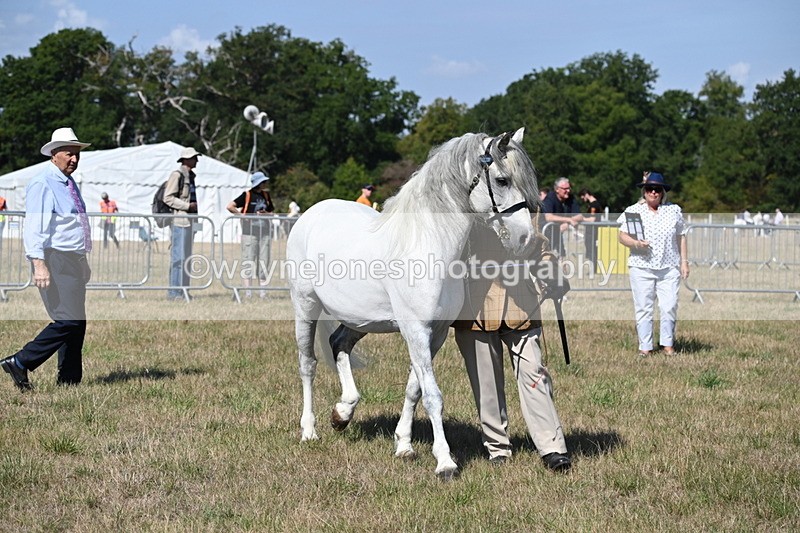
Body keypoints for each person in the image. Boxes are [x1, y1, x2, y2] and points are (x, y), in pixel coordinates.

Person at [453, 219, 572, 472]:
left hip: (523, 304)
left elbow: (540, 249)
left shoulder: (522, 206)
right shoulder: (466, 208)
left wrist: (553, 274)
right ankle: (498, 448)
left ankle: (552, 448)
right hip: (476, 307)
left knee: (535, 375)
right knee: (486, 384)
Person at [1, 127, 93, 390]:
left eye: (77, 154)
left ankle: (69, 380)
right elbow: (35, 226)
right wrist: (38, 264)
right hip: (56, 259)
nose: (74, 159)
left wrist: (83, 259)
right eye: (68, 154)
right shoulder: (43, 182)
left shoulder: (68, 181)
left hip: (73, 258)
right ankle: (21, 361)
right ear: (54, 154)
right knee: (68, 320)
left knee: (77, 322)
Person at [616, 172, 689, 357]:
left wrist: (684, 262)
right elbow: (622, 235)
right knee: (643, 307)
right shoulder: (633, 211)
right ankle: (645, 347)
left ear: (663, 192)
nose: (653, 192)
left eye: (657, 189)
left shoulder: (674, 210)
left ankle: (668, 345)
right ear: (644, 191)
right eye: (650, 189)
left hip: (669, 267)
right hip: (641, 266)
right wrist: (635, 244)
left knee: (669, 305)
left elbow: (681, 236)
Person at [226, 171, 274, 299]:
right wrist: (242, 216)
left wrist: (265, 214)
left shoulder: (266, 196)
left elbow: (272, 213)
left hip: (264, 233)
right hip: (249, 234)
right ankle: (248, 293)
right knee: (248, 262)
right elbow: (230, 206)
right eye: (263, 182)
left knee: (264, 263)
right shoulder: (247, 195)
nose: (265, 184)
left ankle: (263, 293)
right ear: (258, 183)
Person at [163, 146, 201, 301]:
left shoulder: (191, 176)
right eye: (194, 157)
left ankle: (184, 291)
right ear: (186, 160)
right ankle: (174, 292)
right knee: (178, 258)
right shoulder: (177, 175)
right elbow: (168, 198)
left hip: (190, 222)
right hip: (180, 222)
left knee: (187, 259)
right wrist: (187, 206)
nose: (197, 160)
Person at [541, 177, 583, 257]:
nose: (568, 191)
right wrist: (569, 220)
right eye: (565, 189)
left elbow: (580, 216)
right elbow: (548, 217)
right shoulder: (550, 198)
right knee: (547, 258)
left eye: (569, 188)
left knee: (562, 257)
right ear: (557, 189)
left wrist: (567, 223)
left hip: (557, 234)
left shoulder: (571, 198)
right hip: (545, 235)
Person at [578, 188, 603, 268]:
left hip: (592, 231)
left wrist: (582, 219)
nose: (583, 199)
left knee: (591, 248)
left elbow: (592, 219)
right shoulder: (594, 204)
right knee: (591, 248)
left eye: (583, 197)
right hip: (591, 230)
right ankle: (593, 267)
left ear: (586, 194)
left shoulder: (593, 205)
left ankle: (593, 267)